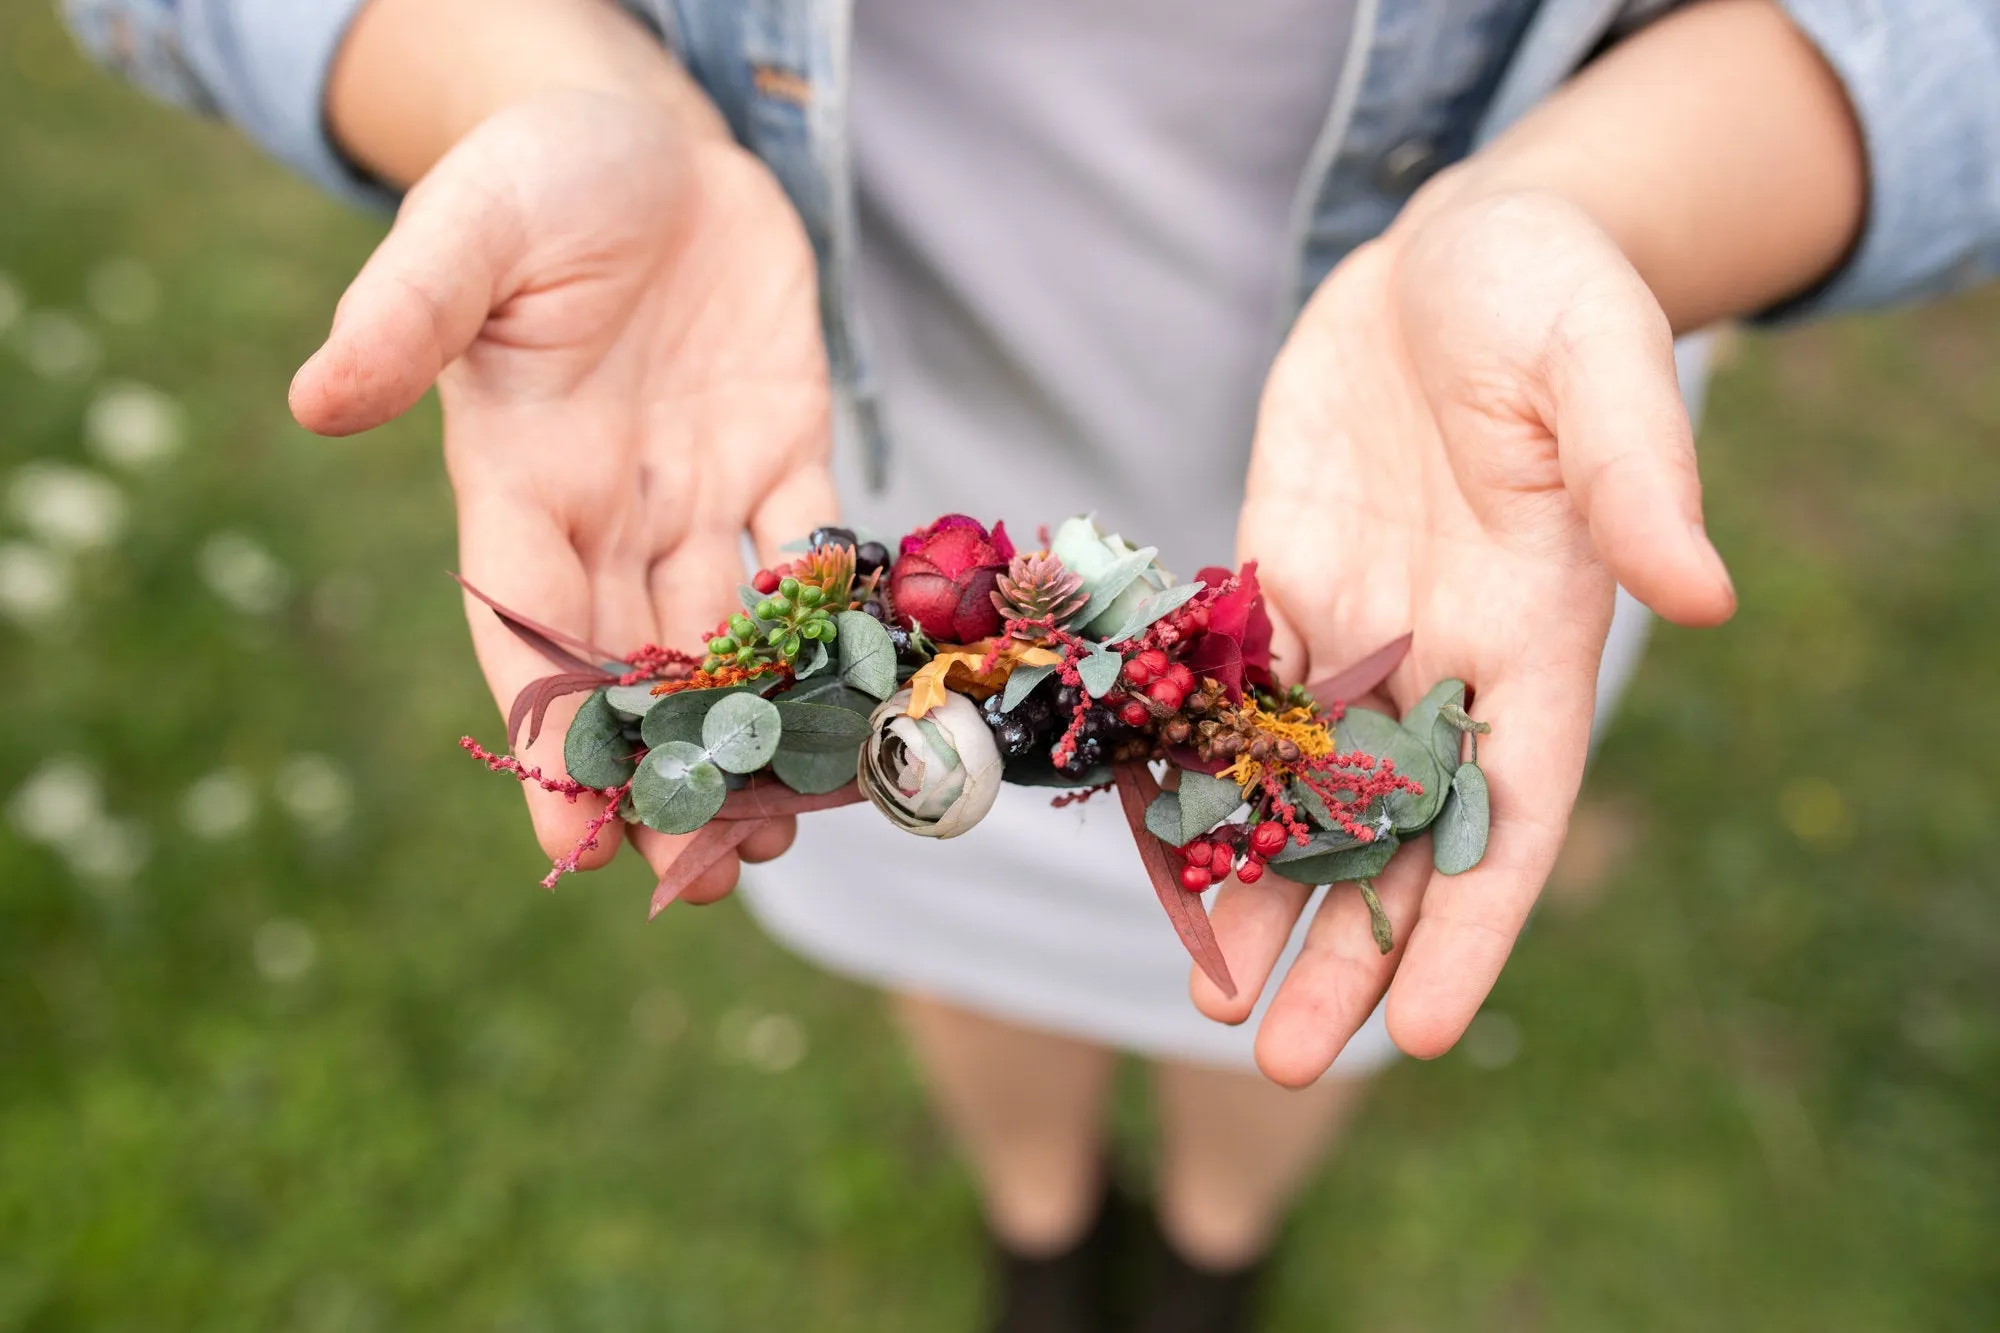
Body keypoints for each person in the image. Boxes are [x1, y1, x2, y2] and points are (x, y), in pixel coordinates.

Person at [66, 1, 1999, 1328]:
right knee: (961, 936)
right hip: (824, 450)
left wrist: (1592, 206)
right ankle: (1042, 1231)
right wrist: (538, 79)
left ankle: (1217, 1253)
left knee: (1308, 952)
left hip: (1445, 463)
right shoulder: (815, 603)